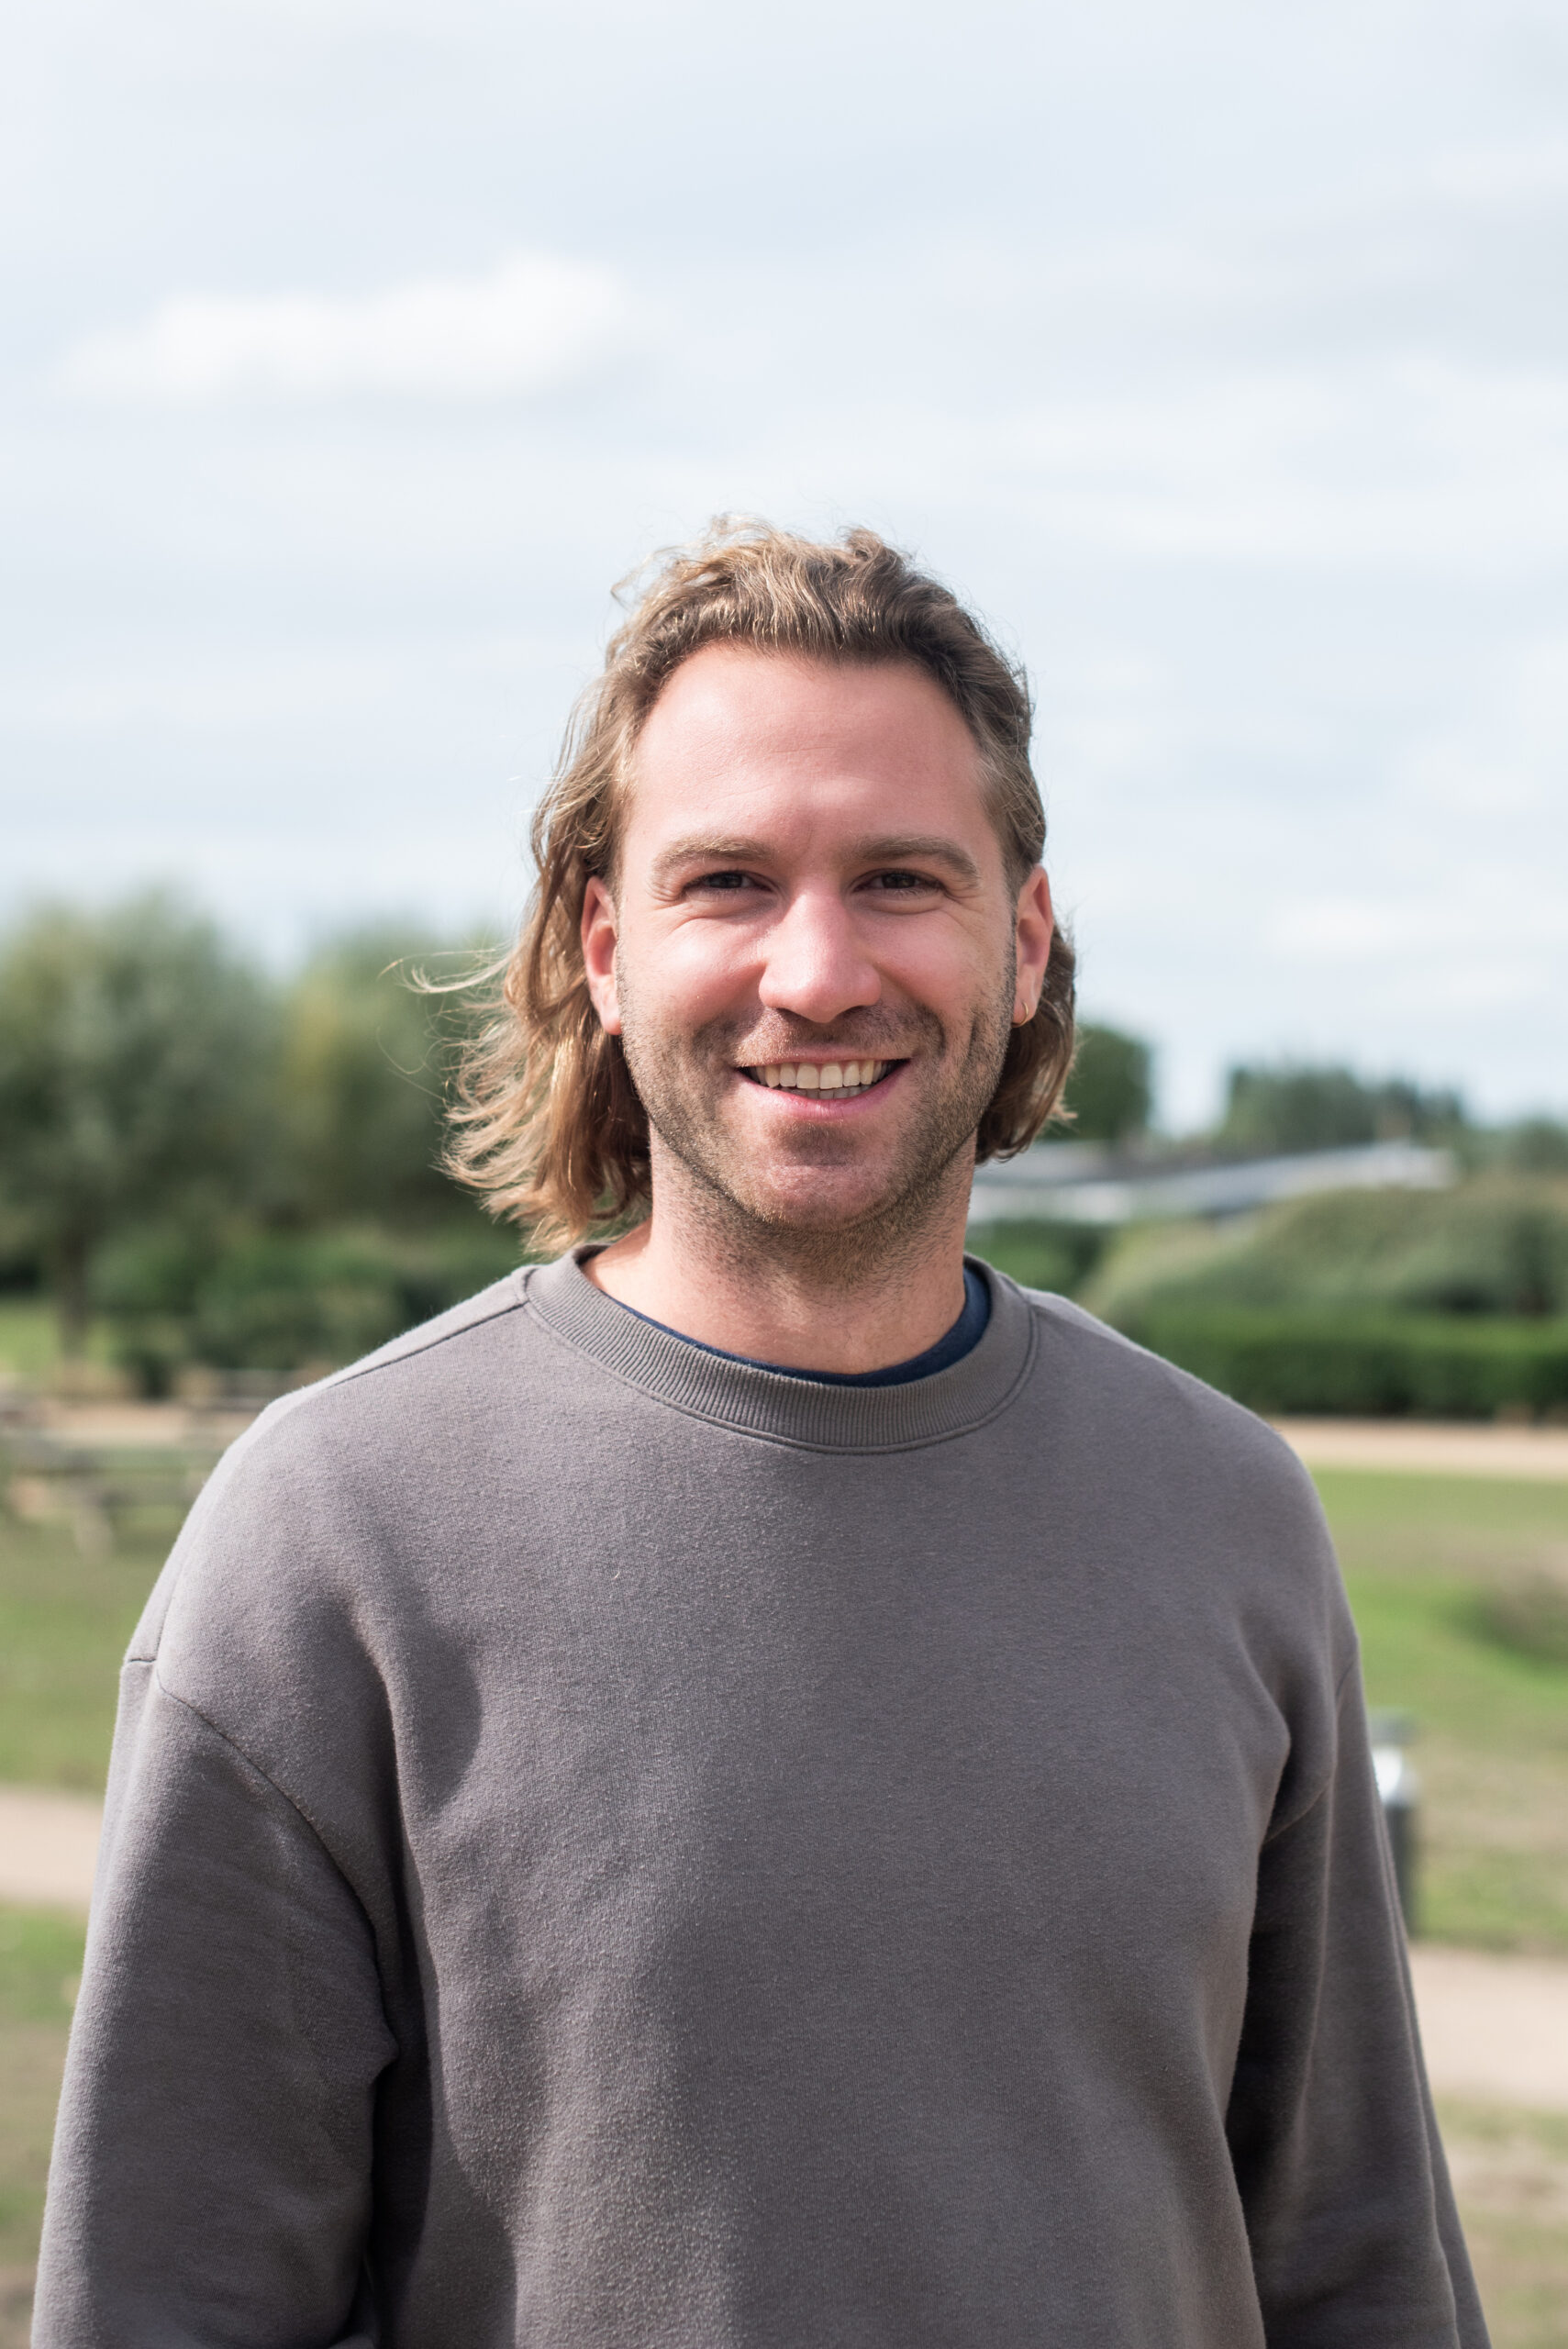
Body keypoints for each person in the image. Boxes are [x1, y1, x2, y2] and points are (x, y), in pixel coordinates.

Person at [36, 523, 1486, 2347]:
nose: (816, 970)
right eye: (727, 880)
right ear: (605, 946)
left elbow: (1357, 2268)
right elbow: (165, 2306)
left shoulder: (1224, 1514)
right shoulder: (334, 1539)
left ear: (1023, 942)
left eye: (899, 878)